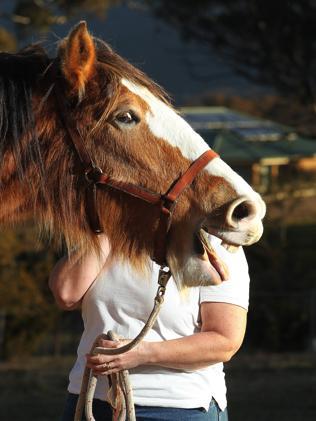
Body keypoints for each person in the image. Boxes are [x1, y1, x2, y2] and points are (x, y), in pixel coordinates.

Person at [49, 234, 250, 421]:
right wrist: (109, 225)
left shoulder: (213, 246)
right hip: (90, 403)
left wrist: (142, 353)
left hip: (175, 408)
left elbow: (224, 341)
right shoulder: (110, 236)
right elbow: (66, 293)